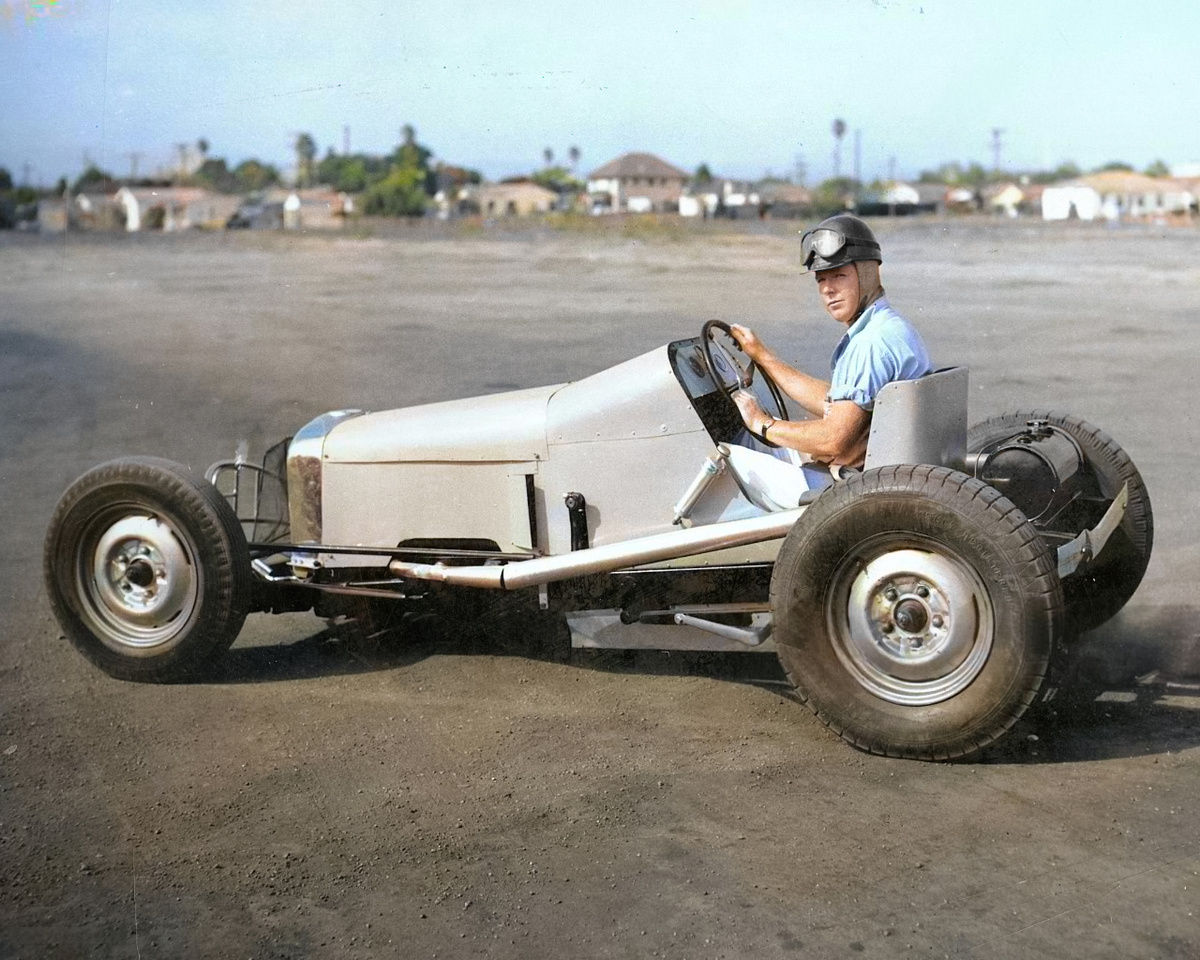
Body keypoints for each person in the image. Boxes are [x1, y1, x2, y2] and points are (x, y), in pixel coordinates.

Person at [730, 213, 933, 471]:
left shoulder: (870, 343)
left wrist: (761, 422)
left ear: (867, 273)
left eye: (839, 276)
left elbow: (833, 440)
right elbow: (838, 403)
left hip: (860, 485)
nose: (828, 289)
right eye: (821, 279)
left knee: (733, 462)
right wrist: (762, 357)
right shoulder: (888, 326)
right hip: (894, 472)